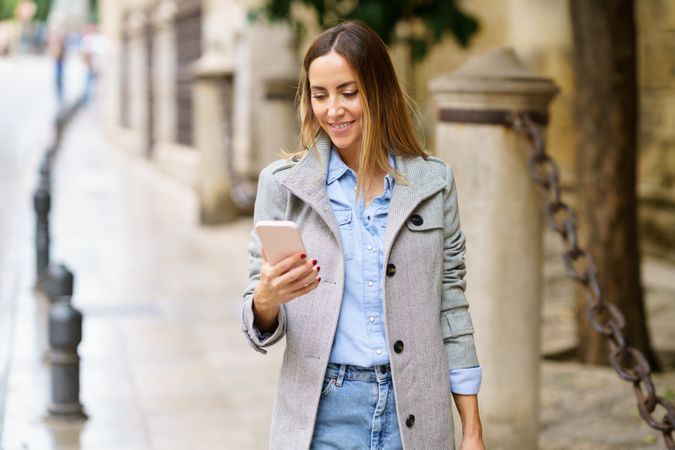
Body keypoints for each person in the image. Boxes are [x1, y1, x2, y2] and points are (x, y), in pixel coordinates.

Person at [242, 21, 484, 450]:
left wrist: (471, 429)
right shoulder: (284, 186)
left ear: (378, 90)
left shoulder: (433, 182)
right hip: (322, 413)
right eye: (320, 95)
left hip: (414, 408)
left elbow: (451, 303)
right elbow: (258, 318)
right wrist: (266, 298)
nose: (333, 109)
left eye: (348, 92)